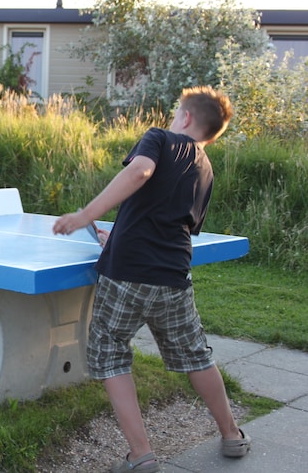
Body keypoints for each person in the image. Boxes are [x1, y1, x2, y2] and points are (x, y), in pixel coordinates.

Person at [52, 86, 250, 472]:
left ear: (187, 117)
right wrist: (116, 233)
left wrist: (85, 215)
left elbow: (141, 172)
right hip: (174, 276)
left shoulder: (160, 138)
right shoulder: (206, 169)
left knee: (110, 353)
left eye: (178, 112)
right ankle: (231, 435)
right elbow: (172, 223)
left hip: (127, 272)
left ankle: (140, 455)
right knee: (196, 356)